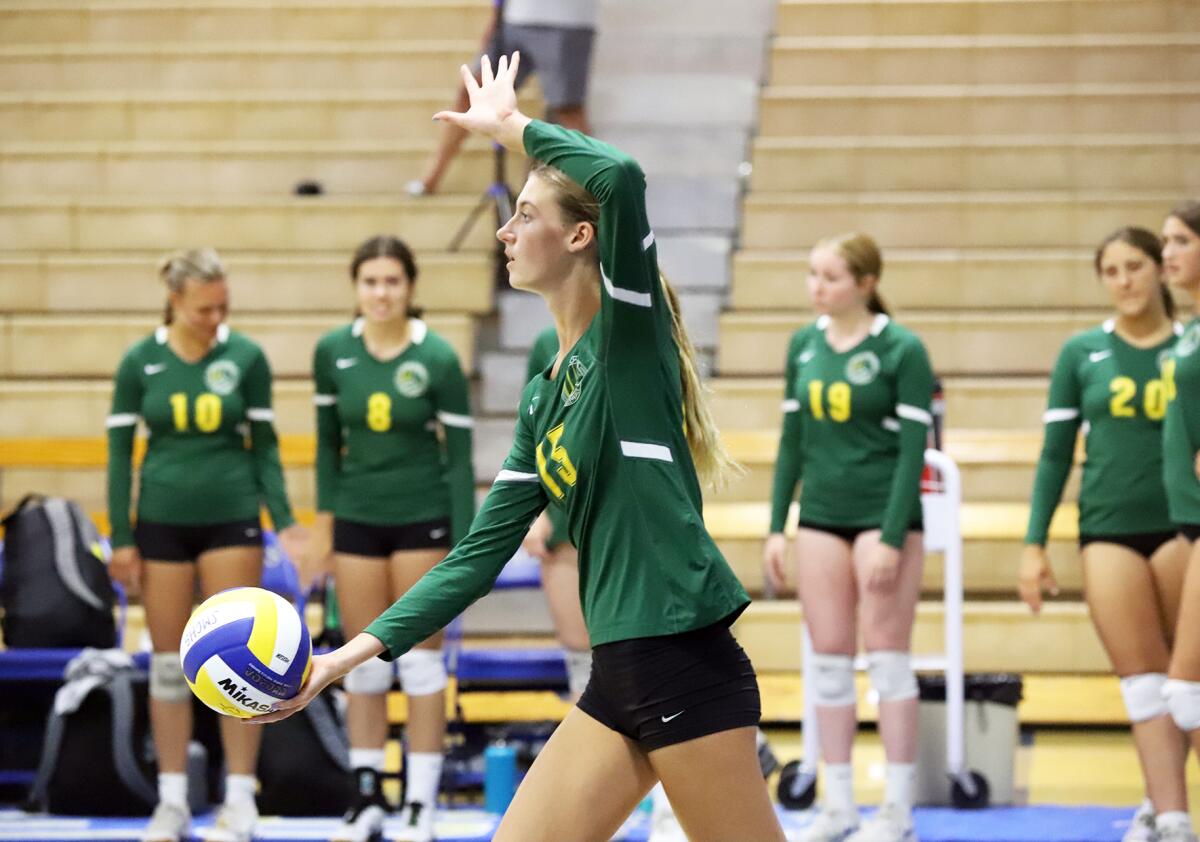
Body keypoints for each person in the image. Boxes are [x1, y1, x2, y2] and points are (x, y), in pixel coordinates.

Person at [261, 53, 786, 842]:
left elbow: (621, 177)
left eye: (526, 216)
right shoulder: (546, 389)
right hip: (620, 671)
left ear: (581, 235)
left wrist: (514, 130)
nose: (504, 232)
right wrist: (347, 657)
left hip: (682, 657)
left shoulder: (627, 339)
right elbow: (476, 555)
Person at [106, 248, 305, 842]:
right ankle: (171, 802)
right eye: (203, 309)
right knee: (169, 667)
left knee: (240, 656)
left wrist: (287, 519)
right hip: (162, 519)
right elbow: (120, 456)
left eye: (223, 307)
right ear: (174, 301)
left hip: (232, 515)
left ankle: (239, 799)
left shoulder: (245, 357)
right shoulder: (140, 361)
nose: (216, 318)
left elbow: (266, 445)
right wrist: (121, 536)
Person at [1020, 227, 1195, 842]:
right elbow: (1054, 455)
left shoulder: (1190, 346)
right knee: (1144, 683)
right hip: (1108, 529)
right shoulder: (1081, 353)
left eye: (1136, 266)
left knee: (1189, 683)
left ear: (1160, 269)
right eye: (1112, 270)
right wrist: (1034, 543)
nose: (1125, 281)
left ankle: (1160, 801)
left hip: (1183, 528)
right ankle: (1170, 816)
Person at [763, 233, 934, 842]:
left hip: (882, 520)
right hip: (821, 518)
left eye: (831, 277)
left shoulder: (902, 349)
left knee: (888, 661)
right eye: (813, 274)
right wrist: (777, 526)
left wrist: (891, 537)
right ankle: (838, 808)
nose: (818, 287)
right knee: (829, 664)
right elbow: (792, 447)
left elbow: (915, 452)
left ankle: (897, 812)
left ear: (865, 283)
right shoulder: (804, 345)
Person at [305, 235, 475, 842]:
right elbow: (327, 446)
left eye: (392, 282)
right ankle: (366, 795)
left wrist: (462, 540)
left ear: (411, 287)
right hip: (356, 518)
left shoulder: (437, 358)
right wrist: (324, 526)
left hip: (422, 518)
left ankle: (419, 805)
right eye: (371, 281)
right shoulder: (332, 352)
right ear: (357, 287)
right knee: (362, 666)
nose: (381, 293)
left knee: (422, 668)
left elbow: (459, 459)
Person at [406, 0, 596, 196]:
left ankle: (601, 187)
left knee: (567, 109)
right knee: (474, 92)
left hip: (565, 21)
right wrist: (495, 16)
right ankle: (432, 178)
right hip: (513, 19)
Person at [520, 325, 592, 701]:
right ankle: (597, 760)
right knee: (582, 660)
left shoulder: (639, 330)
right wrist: (537, 510)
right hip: (564, 514)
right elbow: (534, 433)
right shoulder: (548, 343)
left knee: (637, 655)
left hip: (626, 513)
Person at [1162, 201, 1200, 770]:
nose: (1166, 253)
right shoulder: (1190, 328)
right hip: (1188, 519)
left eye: (1181, 241)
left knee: (1186, 692)